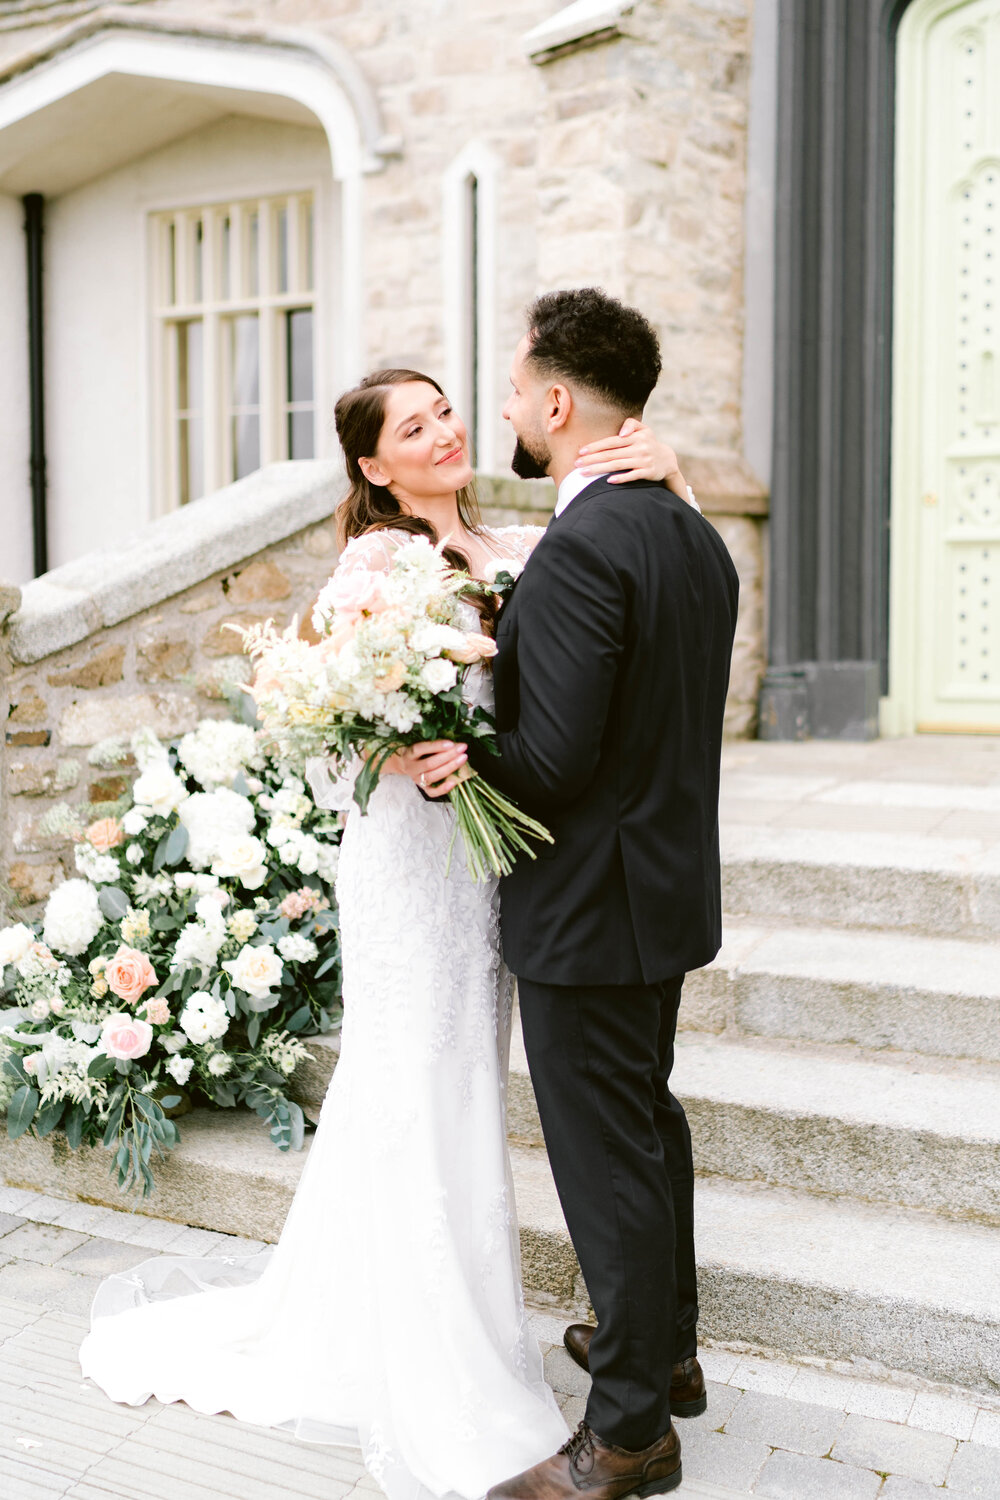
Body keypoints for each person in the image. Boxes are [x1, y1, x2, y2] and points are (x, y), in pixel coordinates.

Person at [78, 361, 694, 1500]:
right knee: (416, 1075)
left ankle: (520, 1324)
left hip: (497, 858)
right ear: (373, 464)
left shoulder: (523, 539)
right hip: (413, 859)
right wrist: (387, 742)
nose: (446, 431)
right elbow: (318, 716)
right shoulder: (375, 564)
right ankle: (433, 1347)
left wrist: (673, 474)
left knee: (470, 1078)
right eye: (414, 426)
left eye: (448, 410)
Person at [421, 289, 739, 1500]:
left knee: (608, 1160)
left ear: (556, 403)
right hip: (658, 894)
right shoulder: (691, 537)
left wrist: (461, 760)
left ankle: (626, 1439)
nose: (503, 408)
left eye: (508, 391)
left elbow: (552, 761)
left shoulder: (580, 551)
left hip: (589, 910)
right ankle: (665, 1356)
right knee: (647, 1132)